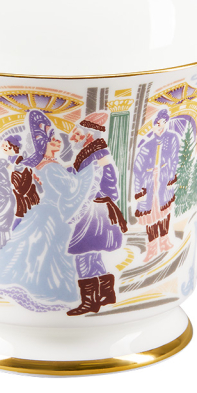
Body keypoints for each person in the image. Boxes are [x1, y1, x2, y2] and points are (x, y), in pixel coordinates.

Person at [0, 111, 101, 312]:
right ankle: (50, 295)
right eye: (52, 140)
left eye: (56, 138)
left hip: (44, 212)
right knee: (48, 256)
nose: (58, 142)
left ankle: (34, 290)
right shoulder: (51, 167)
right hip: (52, 216)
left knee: (32, 254)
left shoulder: (45, 165)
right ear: (43, 145)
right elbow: (70, 189)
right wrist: (90, 172)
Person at [65, 112, 127, 316]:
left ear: (89, 135)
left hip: (94, 211)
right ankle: (107, 294)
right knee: (93, 255)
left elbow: (107, 181)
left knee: (84, 254)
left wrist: (81, 188)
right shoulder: (89, 153)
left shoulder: (99, 154)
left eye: (78, 133)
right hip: (95, 209)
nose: (73, 137)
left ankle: (89, 302)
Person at [133, 108, 180, 262]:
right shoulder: (147, 146)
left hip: (164, 181)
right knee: (150, 215)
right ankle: (152, 247)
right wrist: (139, 190)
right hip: (149, 184)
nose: (161, 126)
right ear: (153, 126)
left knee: (164, 211)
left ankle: (164, 241)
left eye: (164, 123)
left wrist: (171, 178)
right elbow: (137, 170)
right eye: (158, 123)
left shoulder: (172, 138)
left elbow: (174, 160)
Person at [0, 134, 40, 229]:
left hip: (24, 189)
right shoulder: (10, 159)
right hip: (16, 190)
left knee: (26, 209)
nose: (3, 147)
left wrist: (11, 168)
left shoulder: (19, 160)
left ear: (12, 147)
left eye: (5, 146)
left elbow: (24, 172)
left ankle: (29, 225)